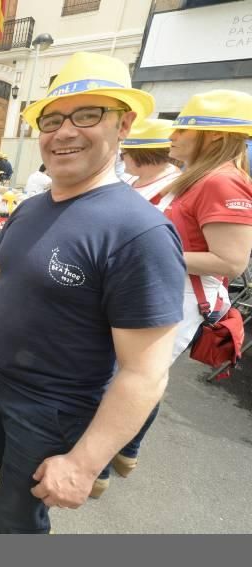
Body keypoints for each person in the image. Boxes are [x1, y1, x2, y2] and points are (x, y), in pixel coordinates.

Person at [0, 51, 186, 534]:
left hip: (55, 410)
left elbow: (145, 373)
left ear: (124, 124)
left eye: (88, 115)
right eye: (52, 119)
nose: (64, 131)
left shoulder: (140, 233)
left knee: (21, 521)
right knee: (8, 485)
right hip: (0, 381)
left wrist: (85, 464)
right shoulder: (32, 207)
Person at [104, 90, 252, 490]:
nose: (174, 132)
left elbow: (231, 261)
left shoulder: (222, 181)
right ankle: (122, 452)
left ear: (215, 138)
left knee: (130, 379)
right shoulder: (200, 176)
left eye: (186, 126)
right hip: (163, 289)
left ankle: (101, 464)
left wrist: (149, 253)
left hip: (178, 298)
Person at [119, 118, 180, 206]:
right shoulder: (133, 177)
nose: (121, 160)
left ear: (137, 155)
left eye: (122, 154)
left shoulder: (170, 188)